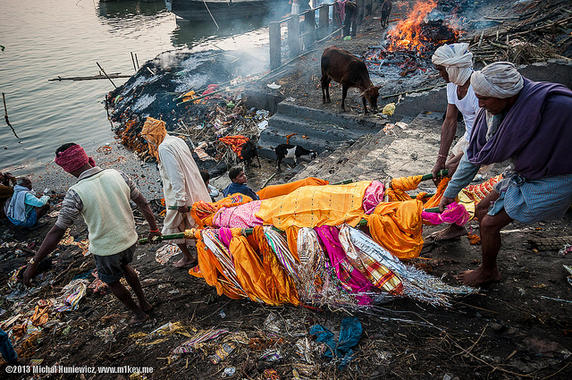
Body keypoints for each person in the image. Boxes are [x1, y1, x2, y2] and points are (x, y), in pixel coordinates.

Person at [439, 62, 572, 286]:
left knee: (490, 223)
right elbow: (475, 156)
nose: (479, 104)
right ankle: (488, 257)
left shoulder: (560, 106)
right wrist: (450, 192)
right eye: (478, 97)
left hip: (556, 177)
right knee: (482, 209)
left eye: (485, 99)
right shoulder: (495, 111)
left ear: (506, 95)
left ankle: (488, 271)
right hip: (526, 172)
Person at [22, 143, 161, 324]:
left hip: (107, 249)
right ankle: (145, 303)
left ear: (67, 168)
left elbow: (57, 231)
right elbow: (143, 203)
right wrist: (153, 229)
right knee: (125, 266)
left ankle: (139, 314)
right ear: (85, 157)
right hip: (130, 239)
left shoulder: (76, 193)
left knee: (112, 281)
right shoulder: (118, 175)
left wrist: (35, 262)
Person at [140, 118, 211, 268]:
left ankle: (189, 257)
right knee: (195, 224)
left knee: (172, 227)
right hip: (194, 188)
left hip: (180, 195)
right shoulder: (176, 140)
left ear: (154, 135)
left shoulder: (164, 148)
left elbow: (176, 175)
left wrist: (180, 201)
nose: (149, 142)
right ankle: (201, 256)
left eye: (149, 137)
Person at [430, 43, 480, 240]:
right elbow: (450, 120)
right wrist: (441, 159)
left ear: (453, 68)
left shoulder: (478, 87)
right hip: (471, 135)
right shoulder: (453, 84)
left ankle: (455, 224)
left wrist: (461, 158)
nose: (440, 75)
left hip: (487, 138)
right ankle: (455, 223)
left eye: (442, 70)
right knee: (444, 173)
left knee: (452, 175)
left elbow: (484, 132)